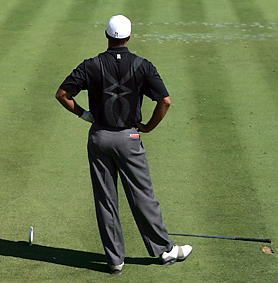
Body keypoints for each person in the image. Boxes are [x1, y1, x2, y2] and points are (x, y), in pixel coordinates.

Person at [55, 15, 193, 276]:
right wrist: (149, 127)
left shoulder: (91, 65)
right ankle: (164, 250)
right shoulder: (143, 65)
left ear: (106, 35)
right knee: (142, 195)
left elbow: (62, 95)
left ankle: (115, 260)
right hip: (129, 139)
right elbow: (165, 101)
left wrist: (85, 115)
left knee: (105, 199)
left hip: (99, 138)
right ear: (129, 37)